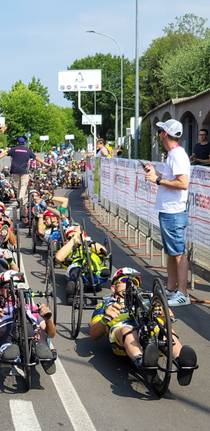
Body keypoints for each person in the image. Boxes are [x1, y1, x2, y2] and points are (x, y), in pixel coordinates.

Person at [89, 267, 197, 386]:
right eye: (125, 281)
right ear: (113, 287)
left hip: (147, 328)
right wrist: (105, 318)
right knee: (127, 330)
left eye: (135, 282)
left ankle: (183, 362)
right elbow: (93, 334)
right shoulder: (105, 304)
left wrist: (163, 313)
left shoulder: (147, 299)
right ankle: (143, 363)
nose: (131, 285)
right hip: (122, 333)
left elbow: (170, 316)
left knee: (165, 329)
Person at [143, 120, 191, 306]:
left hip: (174, 211)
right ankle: (172, 289)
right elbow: (173, 180)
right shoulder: (174, 154)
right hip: (170, 210)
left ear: (164, 134)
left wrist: (157, 180)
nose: (159, 133)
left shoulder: (177, 155)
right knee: (172, 252)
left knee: (178, 252)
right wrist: (156, 174)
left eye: (160, 130)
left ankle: (183, 293)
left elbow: (183, 183)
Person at [0, 270, 56, 374]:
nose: (13, 289)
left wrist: (48, 318)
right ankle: (8, 352)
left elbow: (51, 333)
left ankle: (42, 351)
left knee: (40, 333)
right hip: (6, 330)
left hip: (31, 331)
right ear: (1, 289)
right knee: (6, 335)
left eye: (16, 286)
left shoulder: (30, 306)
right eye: (7, 287)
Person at [0, 136, 47, 218]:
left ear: (17, 142)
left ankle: (20, 199)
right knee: (23, 186)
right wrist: (45, 164)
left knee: (16, 188)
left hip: (14, 171)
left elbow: (4, 154)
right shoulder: (28, 150)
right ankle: (21, 198)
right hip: (24, 172)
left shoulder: (14, 149)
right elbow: (36, 158)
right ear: (24, 143)